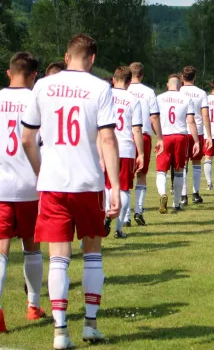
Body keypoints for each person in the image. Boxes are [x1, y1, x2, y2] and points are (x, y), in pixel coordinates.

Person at [21, 34, 121, 348]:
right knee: (92, 255)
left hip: (53, 183)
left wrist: (41, 172)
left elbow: (26, 138)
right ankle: (90, 325)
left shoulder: (42, 86)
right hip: (88, 182)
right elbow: (106, 139)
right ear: (92, 59)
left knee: (58, 260)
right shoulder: (100, 88)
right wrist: (115, 185)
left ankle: (61, 332)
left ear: (66, 56)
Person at [0, 52, 45, 333]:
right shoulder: (37, 100)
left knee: (1, 250)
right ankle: (33, 305)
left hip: (1, 186)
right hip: (31, 185)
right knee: (32, 246)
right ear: (34, 75)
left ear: (9, 72)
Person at [102, 66, 144, 239]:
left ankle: (104, 217)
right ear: (129, 82)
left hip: (107, 146)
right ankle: (119, 228)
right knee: (124, 189)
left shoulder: (106, 96)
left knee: (106, 186)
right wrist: (140, 153)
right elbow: (137, 130)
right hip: (126, 148)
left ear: (113, 79)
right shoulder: (133, 99)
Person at [155, 75, 199, 214]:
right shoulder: (186, 99)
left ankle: (162, 193)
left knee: (161, 170)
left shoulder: (159, 98)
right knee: (179, 170)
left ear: (168, 84)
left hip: (165, 137)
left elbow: (154, 118)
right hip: (180, 136)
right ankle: (176, 204)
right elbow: (191, 121)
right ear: (180, 85)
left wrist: (157, 135)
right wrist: (196, 140)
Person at [127, 62, 164, 226]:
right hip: (143, 136)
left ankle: (125, 216)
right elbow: (154, 117)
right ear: (141, 75)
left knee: (125, 177)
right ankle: (139, 211)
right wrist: (161, 137)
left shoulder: (123, 90)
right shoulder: (149, 92)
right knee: (141, 175)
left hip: (124, 136)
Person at [179, 66, 213, 205]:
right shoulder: (201, 93)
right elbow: (205, 115)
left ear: (182, 77)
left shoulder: (178, 91)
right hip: (197, 131)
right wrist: (209, 135)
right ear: (195, 77)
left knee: (183, 164)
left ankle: (182, 196)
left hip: (181, 131)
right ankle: (195, 193)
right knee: (196, 162)